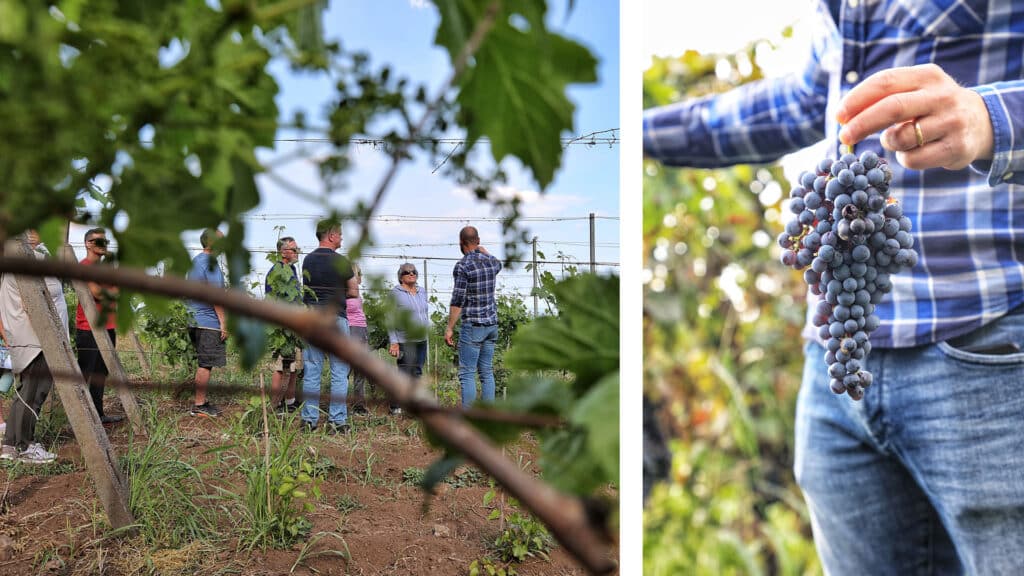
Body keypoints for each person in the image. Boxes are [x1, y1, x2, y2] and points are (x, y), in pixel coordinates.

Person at [643, 2, 1024, 573]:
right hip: (837, 365)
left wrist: (989, 116)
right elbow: (803, 102)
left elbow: (987, 114)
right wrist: (639, 131)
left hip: (988, 347)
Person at [0, 231, 64, 464]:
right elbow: (34, 303)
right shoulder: (26, 262)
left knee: (26, 391)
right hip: (36, 338)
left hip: (29, 336)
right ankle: (25, 446)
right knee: (34, 392)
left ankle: (10, 444)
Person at [300, 219, 357, 434]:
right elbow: (353, 292)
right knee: (339, 371)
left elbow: (307, 289)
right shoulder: (342, 262)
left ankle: (309, 421)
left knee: (312, 369)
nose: (342, 238)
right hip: (335, 318)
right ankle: (337, 421)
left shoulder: (307, 261)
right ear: (331, 236)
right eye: (340, 235)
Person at [444, 226, 501, 406]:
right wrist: (486, 252)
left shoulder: (463, 266)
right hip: (491, 325)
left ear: (461, 243)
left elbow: (457, 300)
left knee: (467, 373)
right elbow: (499, 264)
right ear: (478, 240)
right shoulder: (491, 262)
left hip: (473, 325)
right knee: (486, 372)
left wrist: (449, 328)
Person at [74, 228, 123, 425]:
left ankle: (98, 415)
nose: (104, 245)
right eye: (99, 241)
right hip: (89, 329)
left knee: (101, 373)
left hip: (109, 327)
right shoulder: (84, 266)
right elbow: (99, 293)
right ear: (88, 244)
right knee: (87, 373)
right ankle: (81, 420)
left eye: (106, 241)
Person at [185, 228, 227, 418]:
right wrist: (223, 323)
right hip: (207, 320)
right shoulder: (209, 263)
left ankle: (201, 402)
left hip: (194, 318)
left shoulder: (196, 261)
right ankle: (199, 405)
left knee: (205, 362)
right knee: (206, 363)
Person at [264, 236, 303, 414]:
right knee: (281, 367)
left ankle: (290, 401)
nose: (297, 252)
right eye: (294, 249)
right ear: (283, 251)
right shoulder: (277, 270)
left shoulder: (292, 269)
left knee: (293, 366)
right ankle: (275, 404)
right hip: (282, 326)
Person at [388, 262, 430, 415]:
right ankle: (396, 405)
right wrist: (394, 342)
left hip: (421, 339)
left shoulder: (422, 291)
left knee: (417, 371)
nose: (411, 274)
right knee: (404, 373)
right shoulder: (395, 293)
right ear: (401, 277)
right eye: (407, 272)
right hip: (404, 339)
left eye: (414, 271)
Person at [346, 263, 372, 416]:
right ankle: (341, 406)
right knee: (345, 371)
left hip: (361, 331)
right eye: (359, 273)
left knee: (360, 371)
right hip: (350, 331)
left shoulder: (356, 291)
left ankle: (359, 406)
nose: (361, 276)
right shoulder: (345, 291)